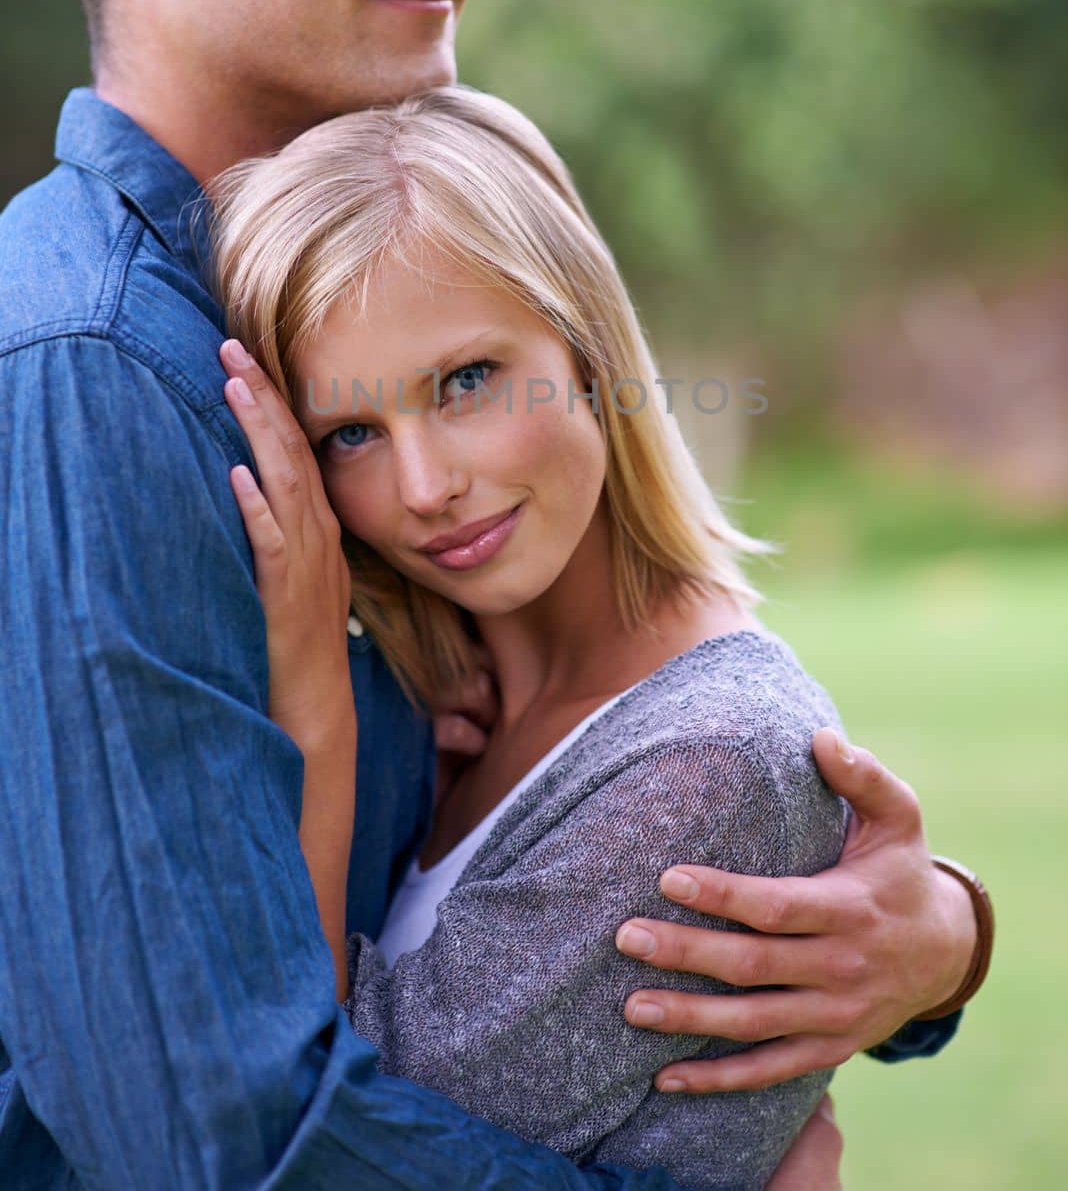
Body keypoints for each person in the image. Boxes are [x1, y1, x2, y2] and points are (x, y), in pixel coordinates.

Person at [0, 0, 989, 1187]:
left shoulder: (306, 323)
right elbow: (206, 1131)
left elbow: (575, 844)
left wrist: (933, 935)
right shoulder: (98, 372)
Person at [203, 82, 854, 1186]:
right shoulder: (453, 699)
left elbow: (327, 1133)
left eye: (466, 380)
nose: (424, 487)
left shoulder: (704, 765)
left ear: (586, 347)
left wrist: (312, 697)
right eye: (352, 430)